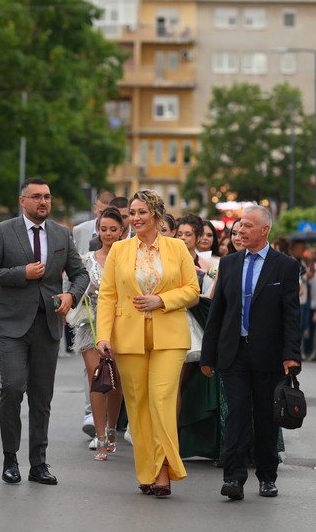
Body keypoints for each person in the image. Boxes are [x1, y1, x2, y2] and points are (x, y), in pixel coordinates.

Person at [0, 177, 88, 486]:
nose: (44, 202)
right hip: (11, 325)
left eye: (48, 197)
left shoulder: (61, 234)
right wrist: (19, 274)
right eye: (37, 197)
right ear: (22, 201)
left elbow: (80, 274)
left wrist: (71, 296)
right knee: (12, 388)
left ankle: (38, 462)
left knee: (42, 398)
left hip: (47, 325)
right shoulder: (3, 230)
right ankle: (10, 459)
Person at [96, 190, 199, 497]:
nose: (136, 218)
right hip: (129, 339)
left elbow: (192, 290)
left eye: (142, 212)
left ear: (155, 214)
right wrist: (103, 335)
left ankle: (165, 468)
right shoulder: (120, 250)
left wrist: (161, 300)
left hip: (170, 337)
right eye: (132, 212)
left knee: (161, 401)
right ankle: (147, 472)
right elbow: (107, 295)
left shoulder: (177, 247)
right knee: (139, 406)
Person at [200, 205, 301, 501]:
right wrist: (208, 356)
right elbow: (217, 312)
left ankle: (267, 476)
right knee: (237, 415)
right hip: (234, 354)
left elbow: (291, 315)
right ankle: (233, 477)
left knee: (267, 418)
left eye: (247, 226)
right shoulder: (229, 264)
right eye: (239, 225)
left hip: (269, 356)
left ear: (265, 230)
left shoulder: (285, 266)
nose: (240, 230)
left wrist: (291, 354)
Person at [74, 207, 125, 461]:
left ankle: (113, 429)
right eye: (103, 229)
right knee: (97, 379)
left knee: (115, 381)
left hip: (121, 325)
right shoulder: (86, 259)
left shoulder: (129, 258)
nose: (108, 234)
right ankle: (101, 436)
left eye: (113, 229)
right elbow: (74, 288)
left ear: (122, 231)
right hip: (90, 326)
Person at [72, 190, 115, 255]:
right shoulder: (79, 231)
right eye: (101, 212)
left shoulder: (123, 232)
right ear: (95, 209)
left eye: (109, 213)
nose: (105, 216)